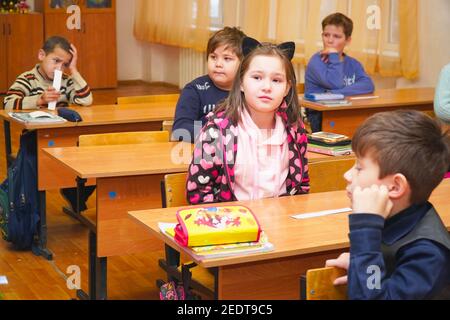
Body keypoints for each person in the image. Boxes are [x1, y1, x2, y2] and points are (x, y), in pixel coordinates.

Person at [325, 110, 450, 299]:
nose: (347, 175)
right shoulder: (397, 218)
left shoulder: (427, 253)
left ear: (395, 186)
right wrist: (361, 265)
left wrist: (365, 228)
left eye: (359, 168)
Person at [186, 37, 310, 204]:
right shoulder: (217, 130)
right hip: (233, 224)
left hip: (282, 223)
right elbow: (199, 193)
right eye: (257, 77)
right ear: (242, 83)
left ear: (287, 88)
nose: (267, 87)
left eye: (276, 80)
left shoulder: (295, 129)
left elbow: (301, 186)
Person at [3, 36, 94, 212]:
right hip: (36, 140)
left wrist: (74, 70)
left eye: (65, 64)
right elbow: (7, 103)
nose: (59, 67)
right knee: (38, 167)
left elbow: (86, 100)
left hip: (65, 140)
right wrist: (39, 99)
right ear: (41, 55)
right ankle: (34, 210)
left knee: (93, 157)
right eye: (56, 61)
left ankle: (75, 193)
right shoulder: (28, 79)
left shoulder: (66, 81)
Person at [172, 27, 246, 143]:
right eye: (213, 57)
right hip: (203, 154)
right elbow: (180, 128)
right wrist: (220, 136)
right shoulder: (194, 89)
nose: (218, 64)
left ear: (243, 64)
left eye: (227, 58)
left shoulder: (249, 91)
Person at [304, 12, 374, 132]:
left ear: (348, 40)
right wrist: (334, 56)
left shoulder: (353, 63)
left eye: (337, 36)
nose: (330, 40)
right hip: (321, 115)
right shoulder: (316, 62)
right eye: (326, 35)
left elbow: (368, 85)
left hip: (346, 110)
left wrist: (334, 93)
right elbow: (334, 82)